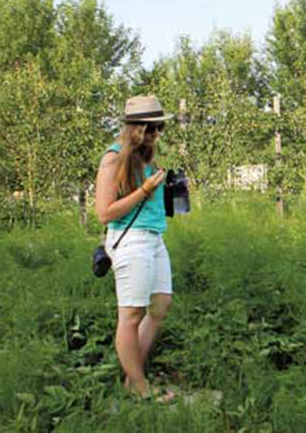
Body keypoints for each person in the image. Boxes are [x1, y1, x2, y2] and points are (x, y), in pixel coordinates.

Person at [95, 95, 174, 400]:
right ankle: (141, 389)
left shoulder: (147, 157)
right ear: (136, 128)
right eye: (152, 128)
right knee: (131, 316)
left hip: (154, 238)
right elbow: (104, 212)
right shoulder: (113, 157)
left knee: (161, 305)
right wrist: (144, 190)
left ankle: (133, 378)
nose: (157, 134)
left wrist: (169, 191)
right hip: (131, 241)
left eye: (159, 128)